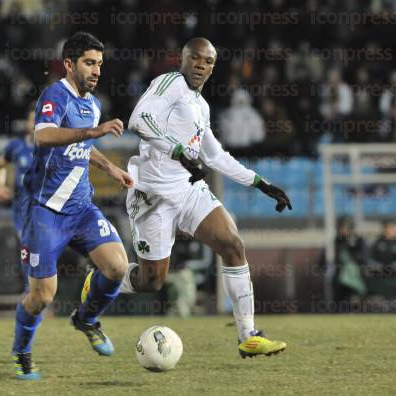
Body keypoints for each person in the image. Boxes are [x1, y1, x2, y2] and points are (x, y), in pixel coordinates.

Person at [116, 37, 292, 358]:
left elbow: (215, 156)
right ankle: (107, 278)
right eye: (195, 58)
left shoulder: (201, 105)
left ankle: (247, 336)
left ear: (213, 67)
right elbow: (139, 120)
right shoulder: (169, 83)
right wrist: (179, 151)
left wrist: (262, 183)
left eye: (208, 61)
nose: (200, 65)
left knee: (232, 244)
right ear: (183, 60)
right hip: (152, 193)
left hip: (188, 189)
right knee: (151, 280)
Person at [11, 32, 133, 380]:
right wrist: (94, 132)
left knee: (116, 267)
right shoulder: (55, 95)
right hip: (46, 211)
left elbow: (79, 148)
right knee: (42, 296)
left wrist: (109, 167)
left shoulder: (91, 104)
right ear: (69, 64)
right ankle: (22, 351)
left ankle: (86, 318)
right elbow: (45, 135)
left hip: (80, 209)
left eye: (99, 64)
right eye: (89, 63)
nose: (96, 71)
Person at [0, 107, 35, 239]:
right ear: (27, 123)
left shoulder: (53, 148)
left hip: (46, 204)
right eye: (33, 120)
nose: (37, 124)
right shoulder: (16, 146)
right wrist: (0, 185)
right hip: (22, 205)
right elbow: (0, 165)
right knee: (26, 246)